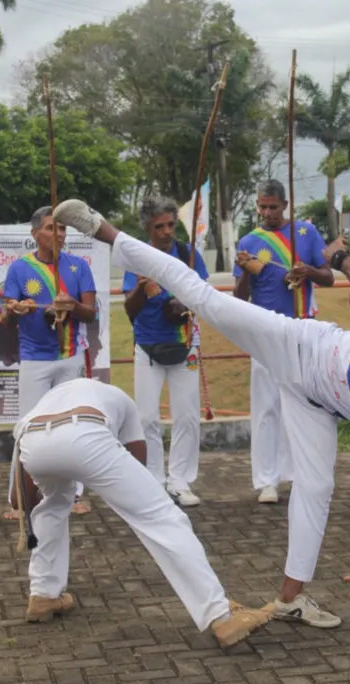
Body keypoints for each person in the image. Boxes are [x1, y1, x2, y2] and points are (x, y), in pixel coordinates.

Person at [53, 198, 350, 629]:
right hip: (296, 345)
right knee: (206, 300)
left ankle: (290, 598)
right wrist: (341, 259)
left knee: (317, 487)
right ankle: (105, 231)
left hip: (314, 405)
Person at [13, 377, 275, 647]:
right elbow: (137, 458)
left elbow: (16, 498)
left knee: (52, 506)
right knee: (162, 517)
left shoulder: (46, 402)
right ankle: (221, 616)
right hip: (85, 433)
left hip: (34, 442)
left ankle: (43, 595)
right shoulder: (118, 396)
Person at [233, 179, 334, 504]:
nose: (267, 213)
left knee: (303, 402)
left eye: (273, 207)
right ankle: (266, 480)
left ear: (285, 205)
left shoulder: (306, 233)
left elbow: (329, 277)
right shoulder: (250, 240)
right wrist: (246, 270)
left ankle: (298, 473)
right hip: (265, 331)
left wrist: (308, 271)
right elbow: (239, 296)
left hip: (303, 328)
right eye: (262, 207)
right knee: (266, 406)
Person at [0, 205, 97, 517]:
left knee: (71, 426)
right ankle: (21, 497)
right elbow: (6, 315)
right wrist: (18, 309)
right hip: (34, 359)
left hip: (70, 357)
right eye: (52, 228)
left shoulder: (78, 266)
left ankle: (72, 494)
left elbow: (91, 312)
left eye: (63, 229)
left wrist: (71, 305)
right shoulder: (19, 269)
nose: (59, 234)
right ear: (34, 235)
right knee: (29, 427)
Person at [121, 196, 209, 508]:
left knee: (187, 415)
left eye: (171, 224)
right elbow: (129, 311)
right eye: (160, 226)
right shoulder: (137, 257)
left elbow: (204, 296)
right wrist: (143, 291)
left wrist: (183, 303)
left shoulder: (188, 255)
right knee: (146, 417)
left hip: (185, 344)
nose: (167, 231)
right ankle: (154, 480)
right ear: (148, 228)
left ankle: (181, 480)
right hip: (147, 345)